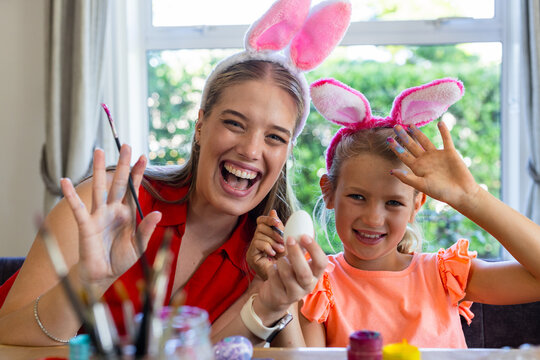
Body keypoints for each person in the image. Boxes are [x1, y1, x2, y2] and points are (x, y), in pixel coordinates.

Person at [0, 0, 351, 347]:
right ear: (200, 126)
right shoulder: (108, 203)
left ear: (288, 151)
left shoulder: (268, 254)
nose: (250, 149)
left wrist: (273, 301)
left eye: (274, 137)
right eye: (234, 123)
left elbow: (202, 353)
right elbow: (6, 338)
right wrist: (85, 282)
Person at [249, 77, 540, 348]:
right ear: (329, 192)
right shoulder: (318, 285)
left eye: (393, 203)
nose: (374, 218)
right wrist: (282, 288)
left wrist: (470, 197)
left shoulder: (443, 275)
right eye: (358, 197)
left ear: (417, 204)